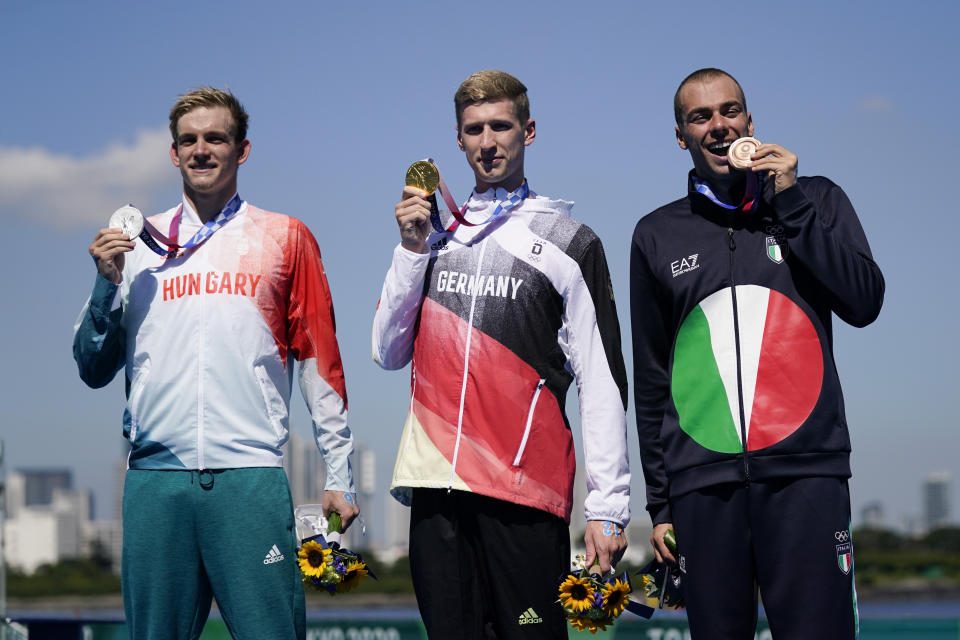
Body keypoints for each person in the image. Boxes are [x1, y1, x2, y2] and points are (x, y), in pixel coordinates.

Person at [73, 87, 358, 639]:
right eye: (189, 140)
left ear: (242, 149)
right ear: (173, 153)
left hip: (249, 479)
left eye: (215, 138)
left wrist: (340, 473)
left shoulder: (285, 237)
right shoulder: (135, 248)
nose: (201, 150)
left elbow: (321, 360)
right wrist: (104, 286)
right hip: (156, 483)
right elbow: (90, 367)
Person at [372, 70, 630, 638]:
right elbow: (387, 351)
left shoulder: (570, 240)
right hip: (435, 485)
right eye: (473, 130)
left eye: (500, 126)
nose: (487, 141)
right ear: (458, 140)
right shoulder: (435, 235)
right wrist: (411, 250)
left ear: (528, 131)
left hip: (524, 492)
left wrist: (607, 506)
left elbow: (603, 380)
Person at [630, 68, 885, 639]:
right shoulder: (655, 234)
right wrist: (661, 504)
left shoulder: (816, 198)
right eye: (700, 117)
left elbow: (865, 301)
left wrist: (791, 203)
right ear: (681, 136)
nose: (718, 126)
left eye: (730, 111)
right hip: (702, 487)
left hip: (806, 476)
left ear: (750, 122)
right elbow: (651, 378)